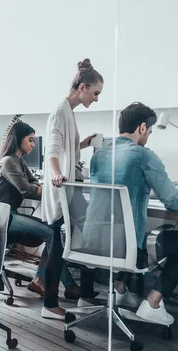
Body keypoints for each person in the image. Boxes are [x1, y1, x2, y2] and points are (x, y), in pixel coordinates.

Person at [86, 102, 178, 324]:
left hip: (92, 242)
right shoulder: (144, 156)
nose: (149, 135)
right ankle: (153, 302)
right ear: (141, 128)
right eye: (149, 131)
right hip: (123, 246)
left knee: (131, 230)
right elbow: (174, 202)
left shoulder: (98, 154)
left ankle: (119, 289)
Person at [0, 121, 90, 299]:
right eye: (30, 140)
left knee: (54, 232)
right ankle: (65, 285)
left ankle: (40, 280)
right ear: (18, 139)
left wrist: (48, 188)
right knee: (53, 235)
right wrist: (55, 189)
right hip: (3, 216)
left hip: (10, 213)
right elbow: (28, 189)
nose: (33, 144)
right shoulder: (8, 161)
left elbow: (35, 185)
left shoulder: (19, 161)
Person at [41, 58, 102, 320]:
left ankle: (84, 294)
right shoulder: (60, 111)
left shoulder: (68, 111)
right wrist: (56, 175)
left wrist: (84, 144)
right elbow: (52, 150)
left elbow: (66, 147)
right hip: (63, 187)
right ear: (82, 87)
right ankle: (51, 303)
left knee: (86, 233)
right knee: (62, 241)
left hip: (69, 186)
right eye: (95, 93)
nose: (96, 99)